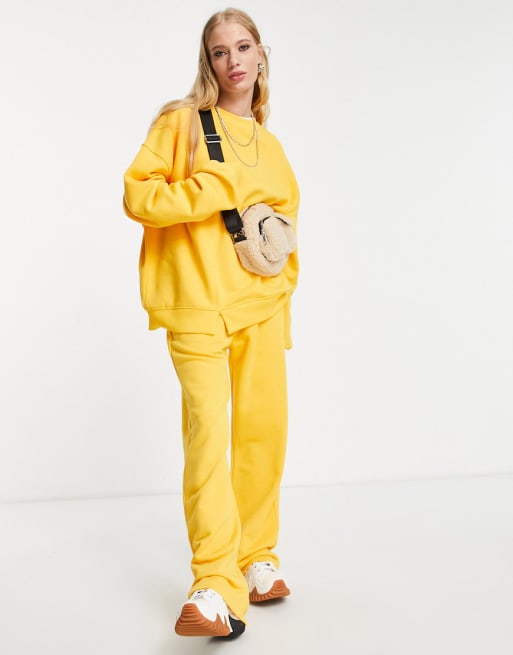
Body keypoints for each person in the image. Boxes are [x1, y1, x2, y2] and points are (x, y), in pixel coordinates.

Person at [123, 7, 300, 639]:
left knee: (262, 434)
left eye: (243, 47)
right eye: (220, 51)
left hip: (262, 308)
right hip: (197, 304)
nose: (233, 61)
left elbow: (285, 234)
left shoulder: (271, 146)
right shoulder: (181, 123)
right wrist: (208, 190)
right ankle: (214, 584)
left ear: (261, 54)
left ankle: (257, 557)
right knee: (208, 439)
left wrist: (284, 299)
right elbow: (138, 195)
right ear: (209, 62)